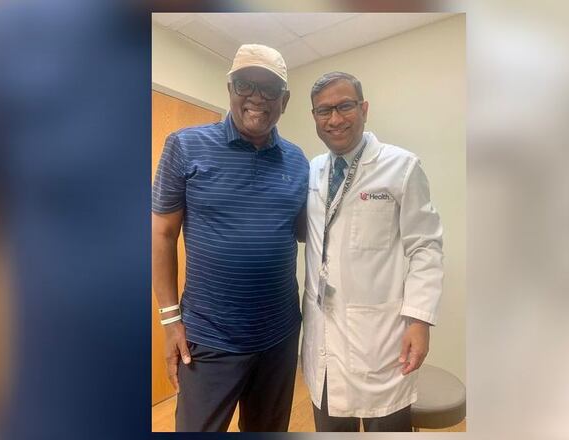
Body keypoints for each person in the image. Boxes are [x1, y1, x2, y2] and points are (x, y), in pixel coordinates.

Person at [151, 44, 309, 432]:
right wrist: (171, 321)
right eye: (245, 85)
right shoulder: (184, 145)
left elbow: (310, 233)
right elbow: (161, 233)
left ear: (284, 101)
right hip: (209, 339)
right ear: (229, 88)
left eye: (269, 89)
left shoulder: (298, 161)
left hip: (279, 337)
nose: (257, 97)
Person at [301, 71, 443, 432]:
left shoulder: (402, 166)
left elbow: (425, 246)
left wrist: (420, 320)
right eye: (323, 111)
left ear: (363, 108)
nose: (334, 119)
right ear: (314, 117)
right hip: (325, 339)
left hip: (381, 340)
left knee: (388, 427)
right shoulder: (314, 169)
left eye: (344, 106)